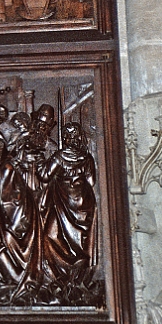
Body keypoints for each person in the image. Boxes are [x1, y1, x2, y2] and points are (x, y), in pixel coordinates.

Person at [0, 137, 40, 304]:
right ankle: (3, 280)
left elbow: (2, 194)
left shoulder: (6, 168)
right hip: (2, 214)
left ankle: (16, 279)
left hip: (16, 218)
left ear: (2, 150)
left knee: (1, 247)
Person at [39, 122, 97, 293]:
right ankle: (70, 277)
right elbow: (91, 182)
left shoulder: (59, 156)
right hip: (83, 203)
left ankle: (63, 276)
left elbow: (44, 175)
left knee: (49, 235)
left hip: (64, 202)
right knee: (79, 240)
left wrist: (41, 161)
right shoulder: (87, 158)